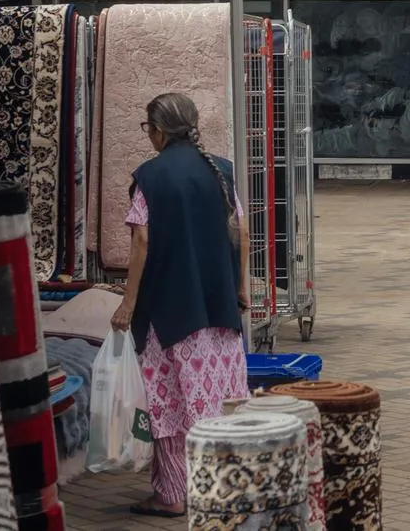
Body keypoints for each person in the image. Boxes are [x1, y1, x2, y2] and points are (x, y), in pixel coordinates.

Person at [110, 93, 250, 517]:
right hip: (218, 310)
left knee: (167, 404)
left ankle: (171, 495)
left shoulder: (151, 177)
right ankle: (219, 487)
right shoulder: (220, 170)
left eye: (146, 127)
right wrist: (241, 288)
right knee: (214, 403)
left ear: (158, 131)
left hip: (169, 315)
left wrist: (128, 305)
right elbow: (240, 230)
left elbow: (141, 240)